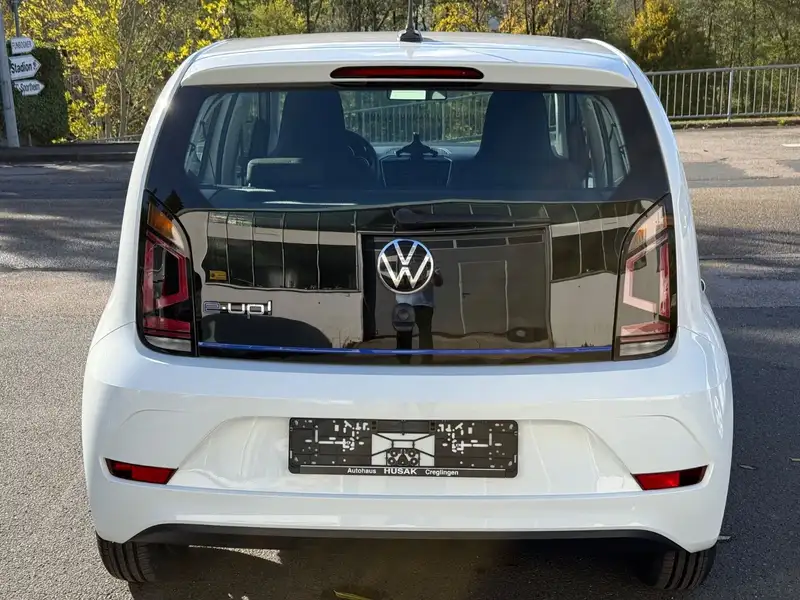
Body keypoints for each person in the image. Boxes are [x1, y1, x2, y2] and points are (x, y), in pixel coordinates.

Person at [395, 267, 443, 363]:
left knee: (422, 334)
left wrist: (432, 275)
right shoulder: (428, 262)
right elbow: (438, 282)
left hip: (419, 303)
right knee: (410, 335)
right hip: (411, 303)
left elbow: (438, 282)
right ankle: (407, 362)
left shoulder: (428, 261)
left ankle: (423, 361)